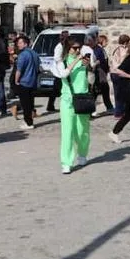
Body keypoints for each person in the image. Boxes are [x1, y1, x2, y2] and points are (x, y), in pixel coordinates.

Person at [52, 38, 92, 174]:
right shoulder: (62, 62)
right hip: (68, 101)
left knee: (82, 131)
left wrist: (88, 65)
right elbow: (63, 74)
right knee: (67, 132)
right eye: (74, 48)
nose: (77, 50)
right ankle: (66, 162)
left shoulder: (84, 61)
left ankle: (82, 154)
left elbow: (91, 77)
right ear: (68, 49)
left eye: (78, 48)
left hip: (82, 99)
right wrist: (76, 61)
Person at [15, 35, 39, 130]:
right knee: (30, 102)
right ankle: (29, 120)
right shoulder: (35, 53)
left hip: (24, 82)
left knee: (25, 104)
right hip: (33, 81)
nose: (18, 45)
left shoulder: (23, 55)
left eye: (20, 43)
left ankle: (28, 122)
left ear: (25, 44)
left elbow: (19, 69)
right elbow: (38, 67)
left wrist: (16, 80)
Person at [110, 34, 130, 118]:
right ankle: (118, 113)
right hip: (118, 73)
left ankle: (121, 111)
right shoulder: (119, 50)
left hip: (116, 73)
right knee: (119, 94)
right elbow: (119, 63)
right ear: (125, 42)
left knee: (121, 94)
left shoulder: (118, 48)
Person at [93, 34, 114, 114]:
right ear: (102, 41)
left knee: (103, 90)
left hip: (103, 72)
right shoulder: (98, 49)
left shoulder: (101, 49)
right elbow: (98, 60)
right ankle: (92, 109)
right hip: (100, 72)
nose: (107, 43)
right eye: (106, 41)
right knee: (100, 90)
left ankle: (109, 107)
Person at [50, 30, 70, 113]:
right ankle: (50, 105)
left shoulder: (65, 46)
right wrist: (64, 59)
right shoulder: (59, 46)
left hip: (62, 68)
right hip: (59, 69)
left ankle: (50, 105)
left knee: (57, 89)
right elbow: (57, 58)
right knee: (57, 89)